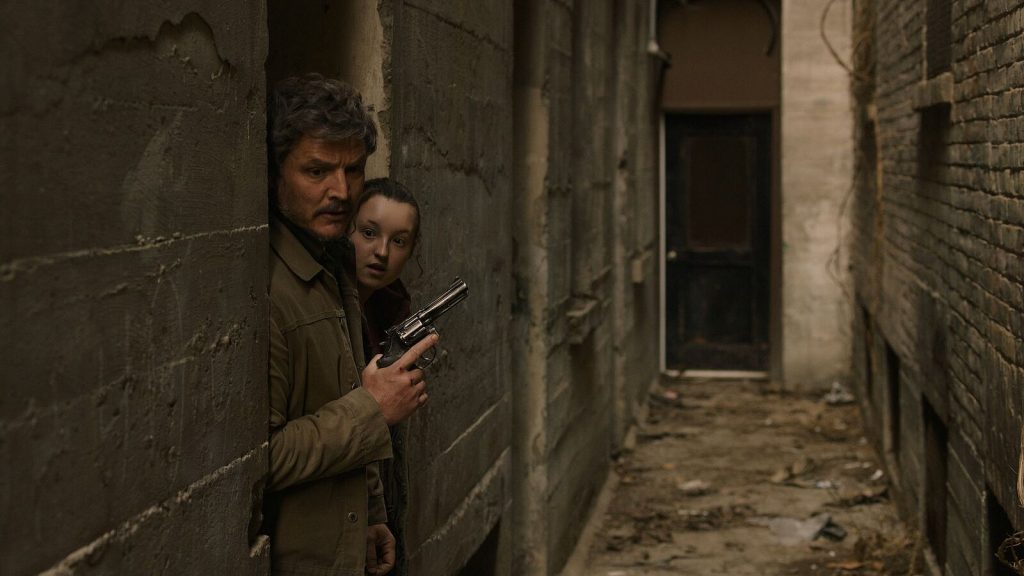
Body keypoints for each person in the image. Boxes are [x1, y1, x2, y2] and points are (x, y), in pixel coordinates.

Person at [263, 74, 435, 576]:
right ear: (275, 174)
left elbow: (343, 391)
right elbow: (260, 461)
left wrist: (372, 515)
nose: (341, 191)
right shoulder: (267, 291)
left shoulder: (335, 269)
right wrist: (373, 408)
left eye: (353, 170)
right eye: (317, 171)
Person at [348, 178, 422, 574]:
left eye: (399, 241)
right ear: (347, 230)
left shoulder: (390, 309)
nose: (381, 252)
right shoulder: (327, 314)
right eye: (369, 233)